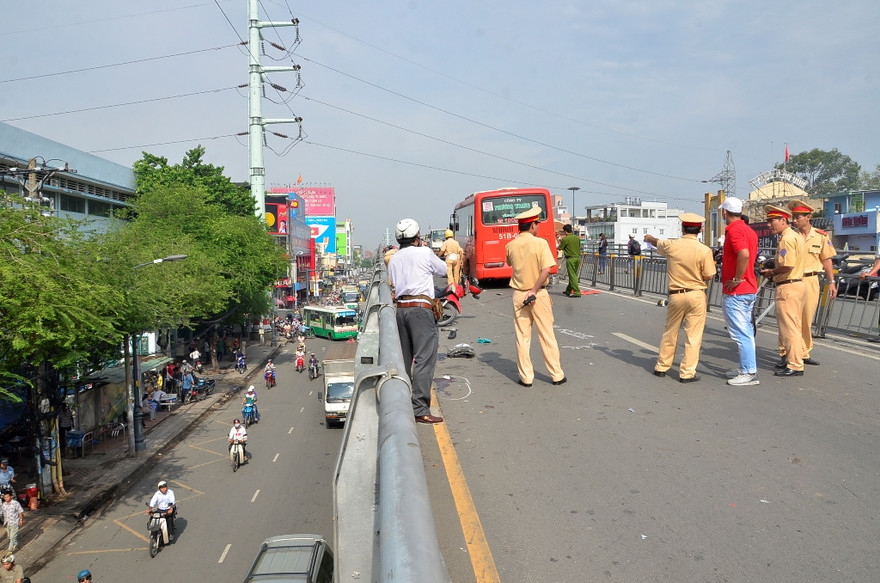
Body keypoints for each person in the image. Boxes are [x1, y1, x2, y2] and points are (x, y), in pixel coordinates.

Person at [386, 218, 448, 424]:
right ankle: (420, 409)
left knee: (405, 360)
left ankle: (404, 403)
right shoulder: (424, 252)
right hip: (421, 310)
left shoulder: (394, 259)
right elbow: (443, 270)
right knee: (424, 359)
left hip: (401, 310)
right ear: (417, 237)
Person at [645, 213, 716, 383]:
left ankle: (662, 366)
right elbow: (709, 275)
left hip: (676, 295)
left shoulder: (672, 245)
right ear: (700, 230)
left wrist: (649, 238)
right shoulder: (704, 250)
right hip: (696, 294)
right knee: (693, 335)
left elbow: (656, 243)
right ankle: (687, 373)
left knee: (670, 331)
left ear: (683, 228)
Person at [505, 206, 566, 387]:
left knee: (522, 337)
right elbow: (546, 270)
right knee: (546, 335)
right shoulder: (541, 243)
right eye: (537, 224)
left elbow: (510, 263)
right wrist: (534, 290)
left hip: (519, 295)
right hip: (538, 294)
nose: (538, 227)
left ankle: (526, 378)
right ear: (532, 225)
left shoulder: (510, 245)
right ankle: (556, 375)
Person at [787, 200, 837, 366]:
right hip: (793, 279)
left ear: (808, 217)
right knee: (791, 319)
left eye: (798, 217)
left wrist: (832, 281)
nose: (794, 220)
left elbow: (826, 259)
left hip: (811, 280)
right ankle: (787, 352)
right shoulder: (790, 236)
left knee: (806, 319)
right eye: (793, 217)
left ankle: (804, 352)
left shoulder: (821, 236)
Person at [760, 204, 807, 377]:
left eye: (772, 221)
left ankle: (795, 364)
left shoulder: (787, 239)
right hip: (797, 284)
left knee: (789, 328)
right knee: (794, 326)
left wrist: (771, 272)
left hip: (788, 285)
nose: (769, 225)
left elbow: (787, 265)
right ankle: (792, 360)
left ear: (783, 220)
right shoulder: (795, 236)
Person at [719, 197, 761, 386]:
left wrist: (737, 278)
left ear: (725, 212)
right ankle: (746, 367)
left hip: (738, 290)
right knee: (746, 331)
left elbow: (743, 254)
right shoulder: (748, 230)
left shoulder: (734, 230)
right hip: (748, 287)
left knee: (741, 333)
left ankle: (748, 371)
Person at [557, 224, 582, 297]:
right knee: (573, 275)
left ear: (565, 231)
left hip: (570, 259)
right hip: (577, 258)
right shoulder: (577, 238)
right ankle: (568, 290)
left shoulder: (565, 239)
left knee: (572, 276)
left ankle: (577, 292)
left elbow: (560, 248)